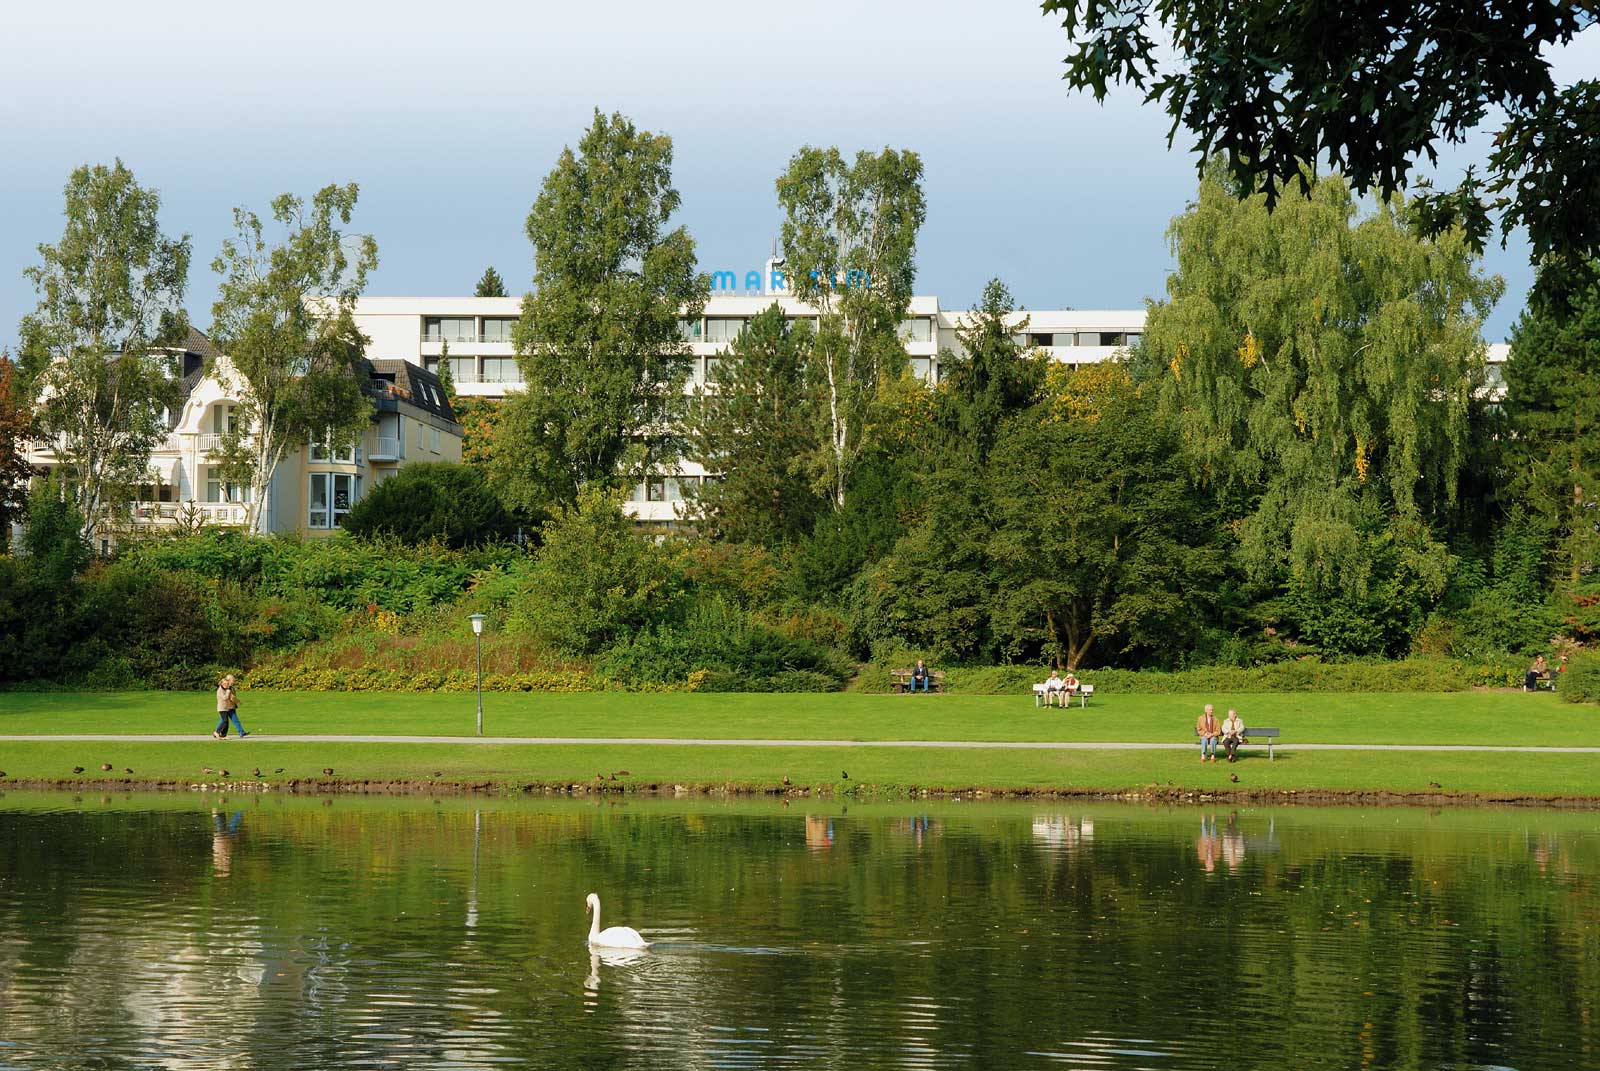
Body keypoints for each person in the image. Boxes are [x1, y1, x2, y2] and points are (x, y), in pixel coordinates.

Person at [214, 674, 248, 739]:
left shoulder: (230, 687)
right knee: (225, 721)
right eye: (233, 679)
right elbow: (230, 697)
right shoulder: (226, 689)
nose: (234, 681)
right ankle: (217, 732)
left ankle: (241, 732)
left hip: (228, 707)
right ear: (228, 680)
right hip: (227, 707)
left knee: (227, 721)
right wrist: (238, 701)